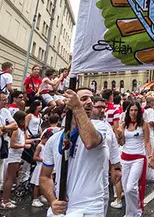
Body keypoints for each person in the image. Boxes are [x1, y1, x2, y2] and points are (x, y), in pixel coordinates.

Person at [40, 88, 116, 217]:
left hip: (89, 208)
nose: (90, 102)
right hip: (61, 210)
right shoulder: (53, 140)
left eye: (91, 99)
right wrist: (52, 200)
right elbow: (45, 176)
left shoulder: (101, 127)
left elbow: (90, 142)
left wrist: (77, 107)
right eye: (84, 98)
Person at [115, 100, 152, 217]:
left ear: (139, 111)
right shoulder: (124, 124)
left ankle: (137, 211)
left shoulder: (143, 124)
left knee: (131, 187)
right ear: (128, 111)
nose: (133, 112)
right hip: (125, 157)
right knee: (126, 188)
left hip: (138, 158)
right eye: (131, 110)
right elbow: (121, 143)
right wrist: (119, 136)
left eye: (136, 110)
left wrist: (151, 157)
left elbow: (147, 142)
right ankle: (130, 213)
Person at [1, 110, 30, 210]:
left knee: (11, 178)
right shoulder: (16, 130)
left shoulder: (21, 130)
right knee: (10, 178)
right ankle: (5, 200)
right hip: (13, 156)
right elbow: (12, 144)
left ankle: (6, 198)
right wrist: (24, 145)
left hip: (17, 156)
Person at [29, 130, 53, 208]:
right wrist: (43, 160)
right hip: (40, 166)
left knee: (43, 183)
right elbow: (35, 157)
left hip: (45, 166)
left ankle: (41, 195)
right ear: (44, 138)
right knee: (37, 184)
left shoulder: (46, 146)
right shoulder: (40, 146)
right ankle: (35, 199)